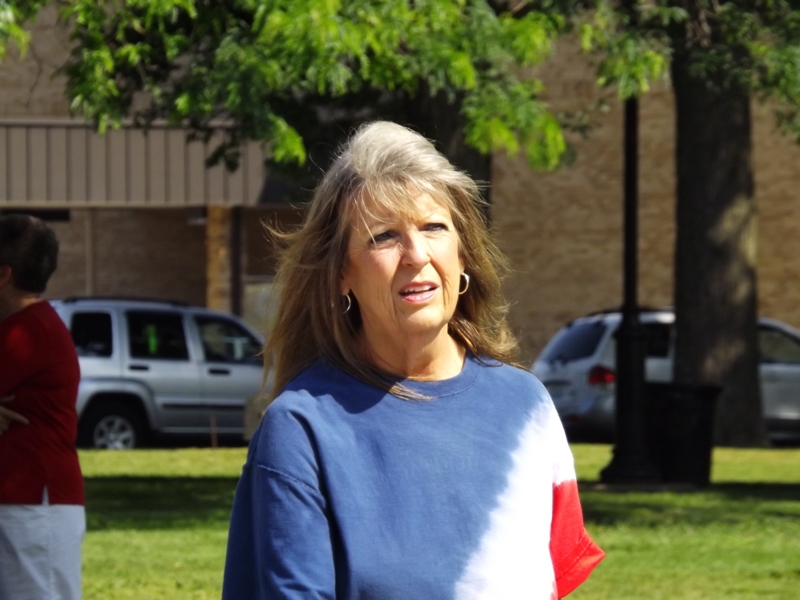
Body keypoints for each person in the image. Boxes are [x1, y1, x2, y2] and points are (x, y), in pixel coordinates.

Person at [222, 122, 604, 599]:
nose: (416, 255)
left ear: (463, 254)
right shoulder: (302, 429)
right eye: (384, 236)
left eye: (433, 227)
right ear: (341, 273)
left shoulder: (527, 405)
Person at [0, 214, 85, 600]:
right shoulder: (33, 326)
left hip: (32, 507)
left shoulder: (27, 332)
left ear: (3, 274)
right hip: (26, 504)